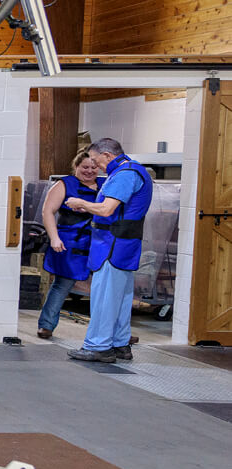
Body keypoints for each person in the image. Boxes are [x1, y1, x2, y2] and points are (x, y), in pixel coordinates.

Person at [64, 138, 153, 363]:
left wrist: (80, 203)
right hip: (125, 244)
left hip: (112, 245)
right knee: (121, 299)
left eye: (96, 161)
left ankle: (98, 346)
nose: (95, 166)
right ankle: (120, 344)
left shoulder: (125, 174)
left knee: (104, 298)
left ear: (107, 155)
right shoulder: (134, 171)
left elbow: (105, 209)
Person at [36, 150, 101, 339]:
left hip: (97, 243)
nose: (89, 171)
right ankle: (46, 325)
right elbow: (48, 212)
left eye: (93, 167)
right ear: (76, 167)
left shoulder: (105, 185)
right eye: (85, 167)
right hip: (70, 243)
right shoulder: (64, 184)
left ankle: (116, 332)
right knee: (62, 284)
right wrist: (54, 238)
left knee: (105, 288)